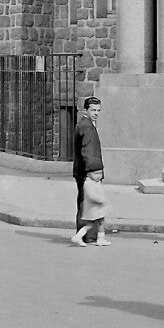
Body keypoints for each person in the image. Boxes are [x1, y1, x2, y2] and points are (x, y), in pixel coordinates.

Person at [71, 95, 108, 247]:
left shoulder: (85, 124)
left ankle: (88, 235)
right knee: (88, 204)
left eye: (98, 110)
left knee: (87, 203)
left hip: (84, 170)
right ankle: (87, 236)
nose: (96, 113)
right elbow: (88, 150)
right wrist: (93, 171)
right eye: (93, 110)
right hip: (87, 172)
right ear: (85, 110)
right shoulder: (86, 126)